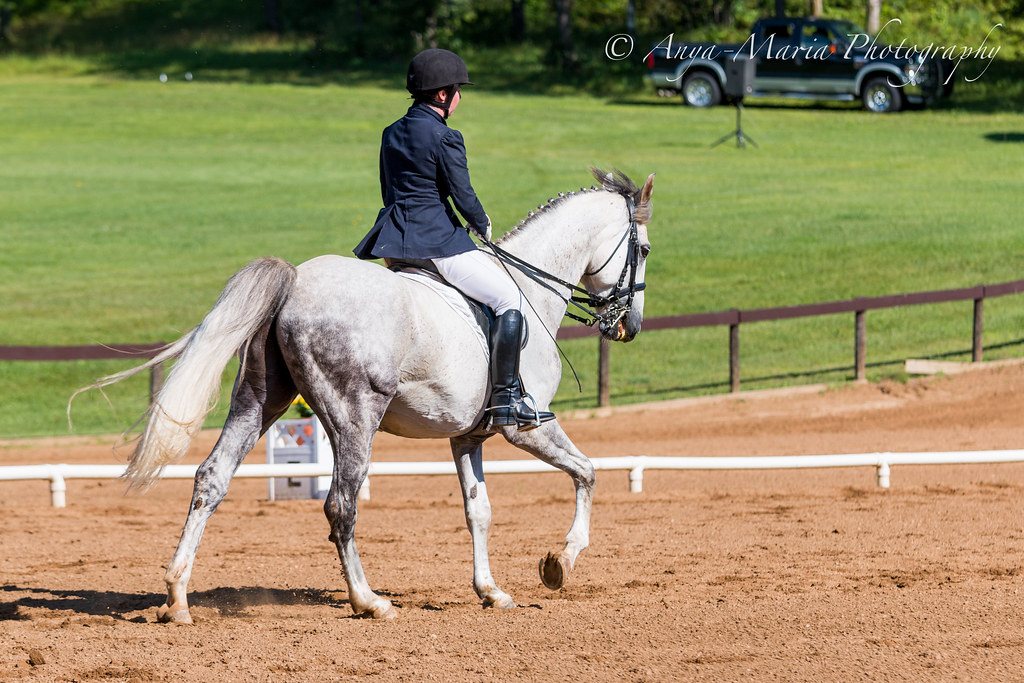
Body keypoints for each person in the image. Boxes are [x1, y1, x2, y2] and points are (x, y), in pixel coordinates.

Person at [354, 48, 555, 432]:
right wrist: (482, 223)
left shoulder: (390, 132)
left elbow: (388, 191)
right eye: (458, 89)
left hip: (394, 248)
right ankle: (506, 399)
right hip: (438, 244)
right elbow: (462, 195)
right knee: (508, 298)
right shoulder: (446, 136)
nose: (460, 96)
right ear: (443, 95)